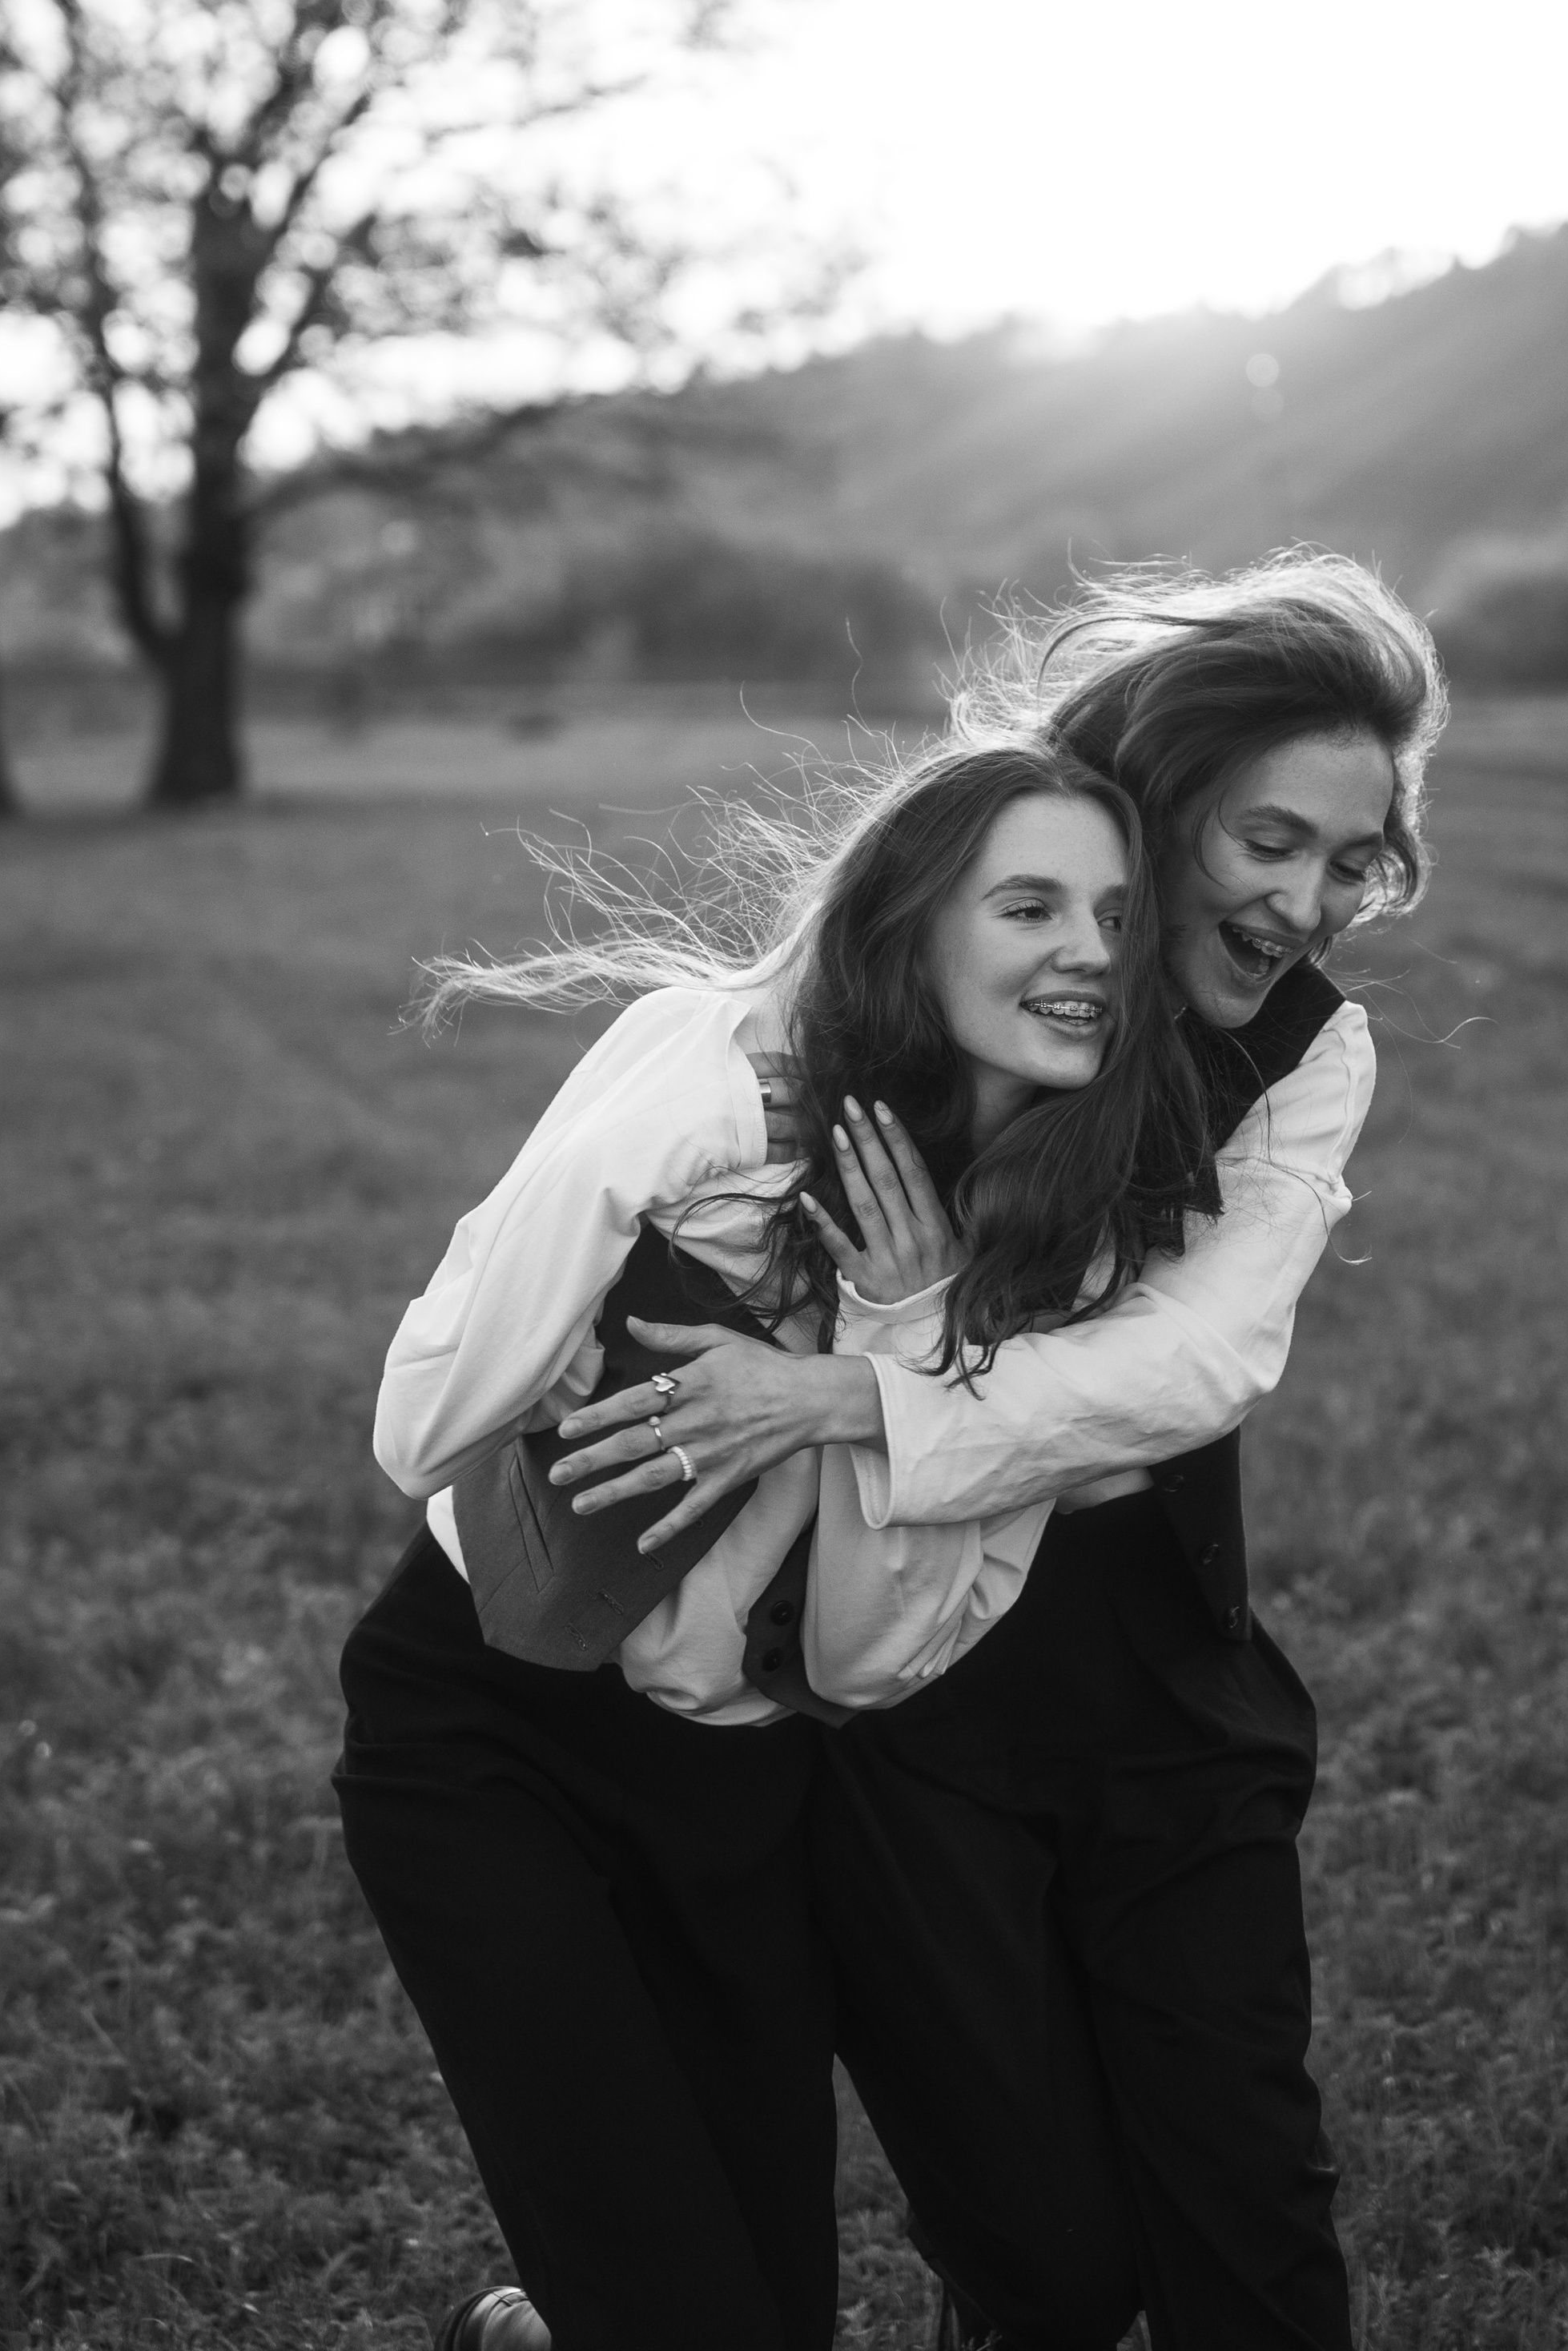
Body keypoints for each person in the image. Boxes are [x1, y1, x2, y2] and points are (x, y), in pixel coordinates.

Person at [550, 552, 1446, 2349]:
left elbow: (1197, 1359)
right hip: (906, 1701)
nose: (1306, 903)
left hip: (1167, 1699)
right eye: (1267, 842)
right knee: (1038, 2266)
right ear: (1167, 802)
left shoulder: (1303, 1052)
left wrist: (866, 1394)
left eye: (1351, 861)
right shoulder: (937, 988)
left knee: (1249, 2219)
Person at [332, 738, 1214, 2351]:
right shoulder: (704, 1073)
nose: (1088, 950)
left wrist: (884, 1345)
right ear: (910, 922)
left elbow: (858, 1658)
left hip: (739, 1787)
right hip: (484, 1729)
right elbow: (423, 1420)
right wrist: (684, 1122)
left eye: (1114, 915)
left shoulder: (1060, 1281)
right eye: (1028, 904)